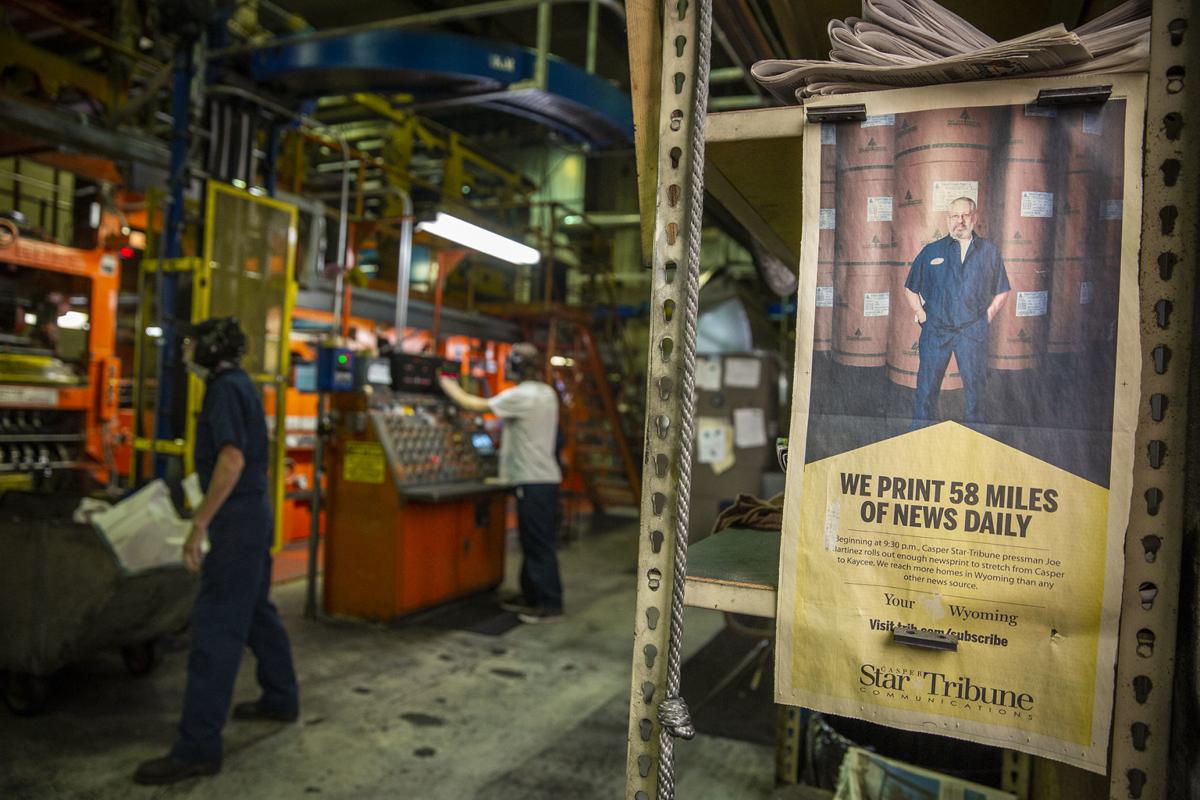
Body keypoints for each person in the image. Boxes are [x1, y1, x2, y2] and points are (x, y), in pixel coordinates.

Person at [134, 317, 299, 785]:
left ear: (208, 349)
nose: (185, 352)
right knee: (255, 613)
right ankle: (281, 697)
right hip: (253, 514)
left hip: (237, 521)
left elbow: (231, 459)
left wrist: (198, 525)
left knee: (216, 629)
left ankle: (197, 748)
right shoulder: (242, 384)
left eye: (190, 344)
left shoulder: (224, 389)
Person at [439, 342, 564, 623]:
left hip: (532, 480)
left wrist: (446, 382)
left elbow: (474, 404)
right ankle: (531, 595)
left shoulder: (521, 396)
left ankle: (548, 603)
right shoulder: (546, 393)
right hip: (543, 479)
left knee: (537, 543)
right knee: (533, 541)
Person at [903, 197, 1010, 427]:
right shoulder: (932, 251)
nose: (960, 221)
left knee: (975, 394)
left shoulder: (989, 252)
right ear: (947, 219)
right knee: (926, 391)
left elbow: (1003, 291)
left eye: (965, 215)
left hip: (971, 332)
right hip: (936, 331)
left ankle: (974, 443)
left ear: (975, 218)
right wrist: (923, 317)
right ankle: (919, 439)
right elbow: (910, 289)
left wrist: (985, 319)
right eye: (954, 216)